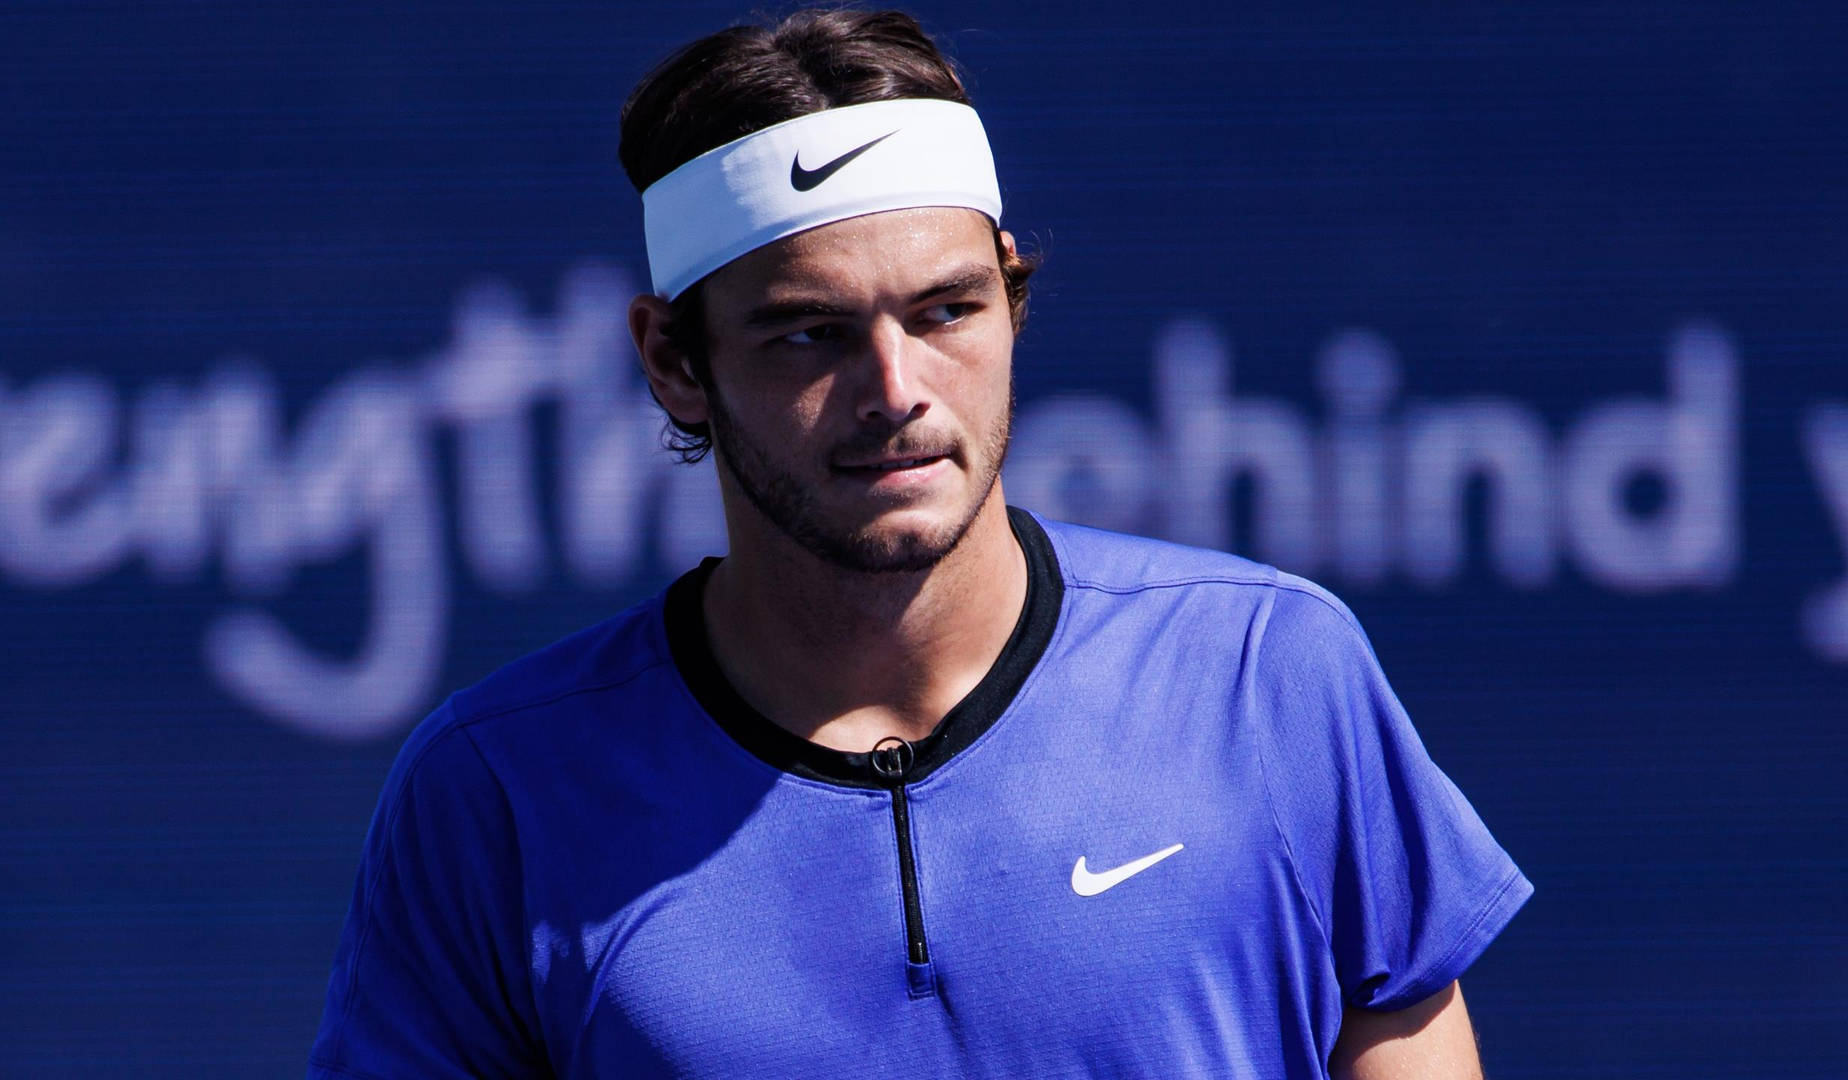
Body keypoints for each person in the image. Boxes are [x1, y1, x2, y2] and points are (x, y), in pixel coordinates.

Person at [306, 9, 1531, 1078]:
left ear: (1011, 299)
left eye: (947, 310)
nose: (895, 388)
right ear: (675, 362)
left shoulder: (1270, 671)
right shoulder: (495, 790)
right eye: (807, 335)